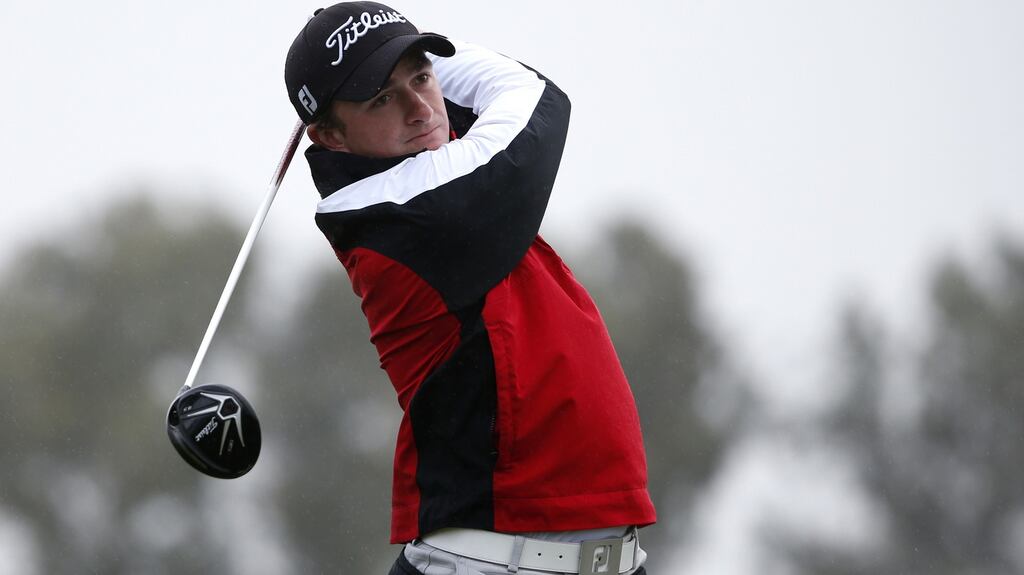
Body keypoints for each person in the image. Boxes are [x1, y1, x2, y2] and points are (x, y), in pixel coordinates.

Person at [284, 3, 657, 573]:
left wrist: (389, 47)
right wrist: (410, 53)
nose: (419, 109)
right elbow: (534, 95)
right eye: (382, 99)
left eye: (422, 77)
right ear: (331, 136)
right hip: (488, 563)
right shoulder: (402, 215)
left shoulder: (442, 177)